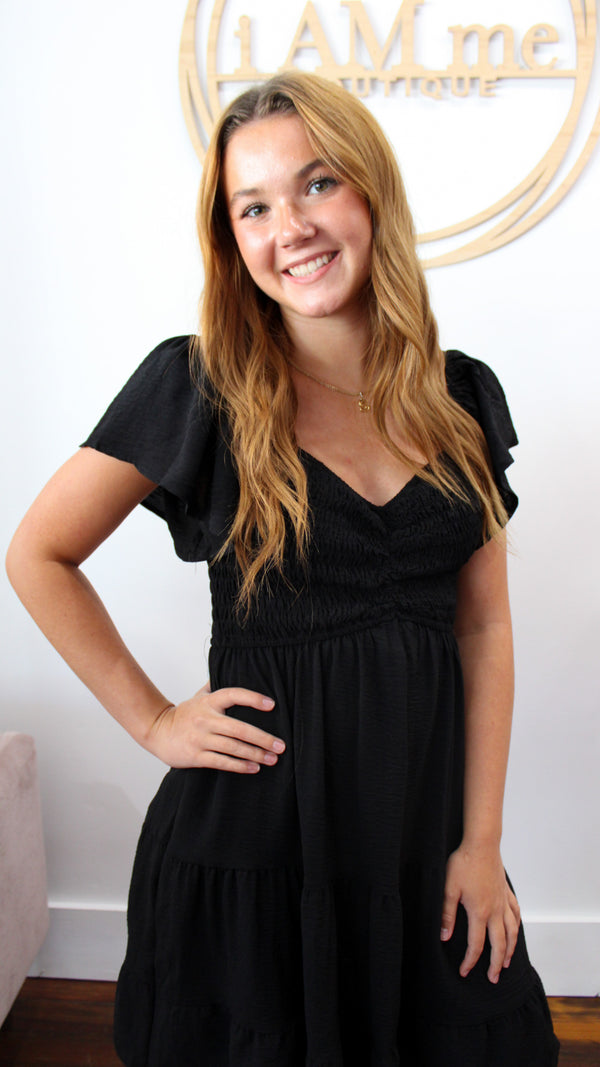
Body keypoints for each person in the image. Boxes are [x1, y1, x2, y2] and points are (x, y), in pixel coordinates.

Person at [6, 71, 559, 1066]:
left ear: (370, 190)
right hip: (250, 850)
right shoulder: (197, 385)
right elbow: (39, 554)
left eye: (316, 183)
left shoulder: (461, 399)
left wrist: (481, 841)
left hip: (421, 840)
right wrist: (154, 719)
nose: (290, 227)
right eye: (252, 206)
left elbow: (483, 626)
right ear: (231, 239)